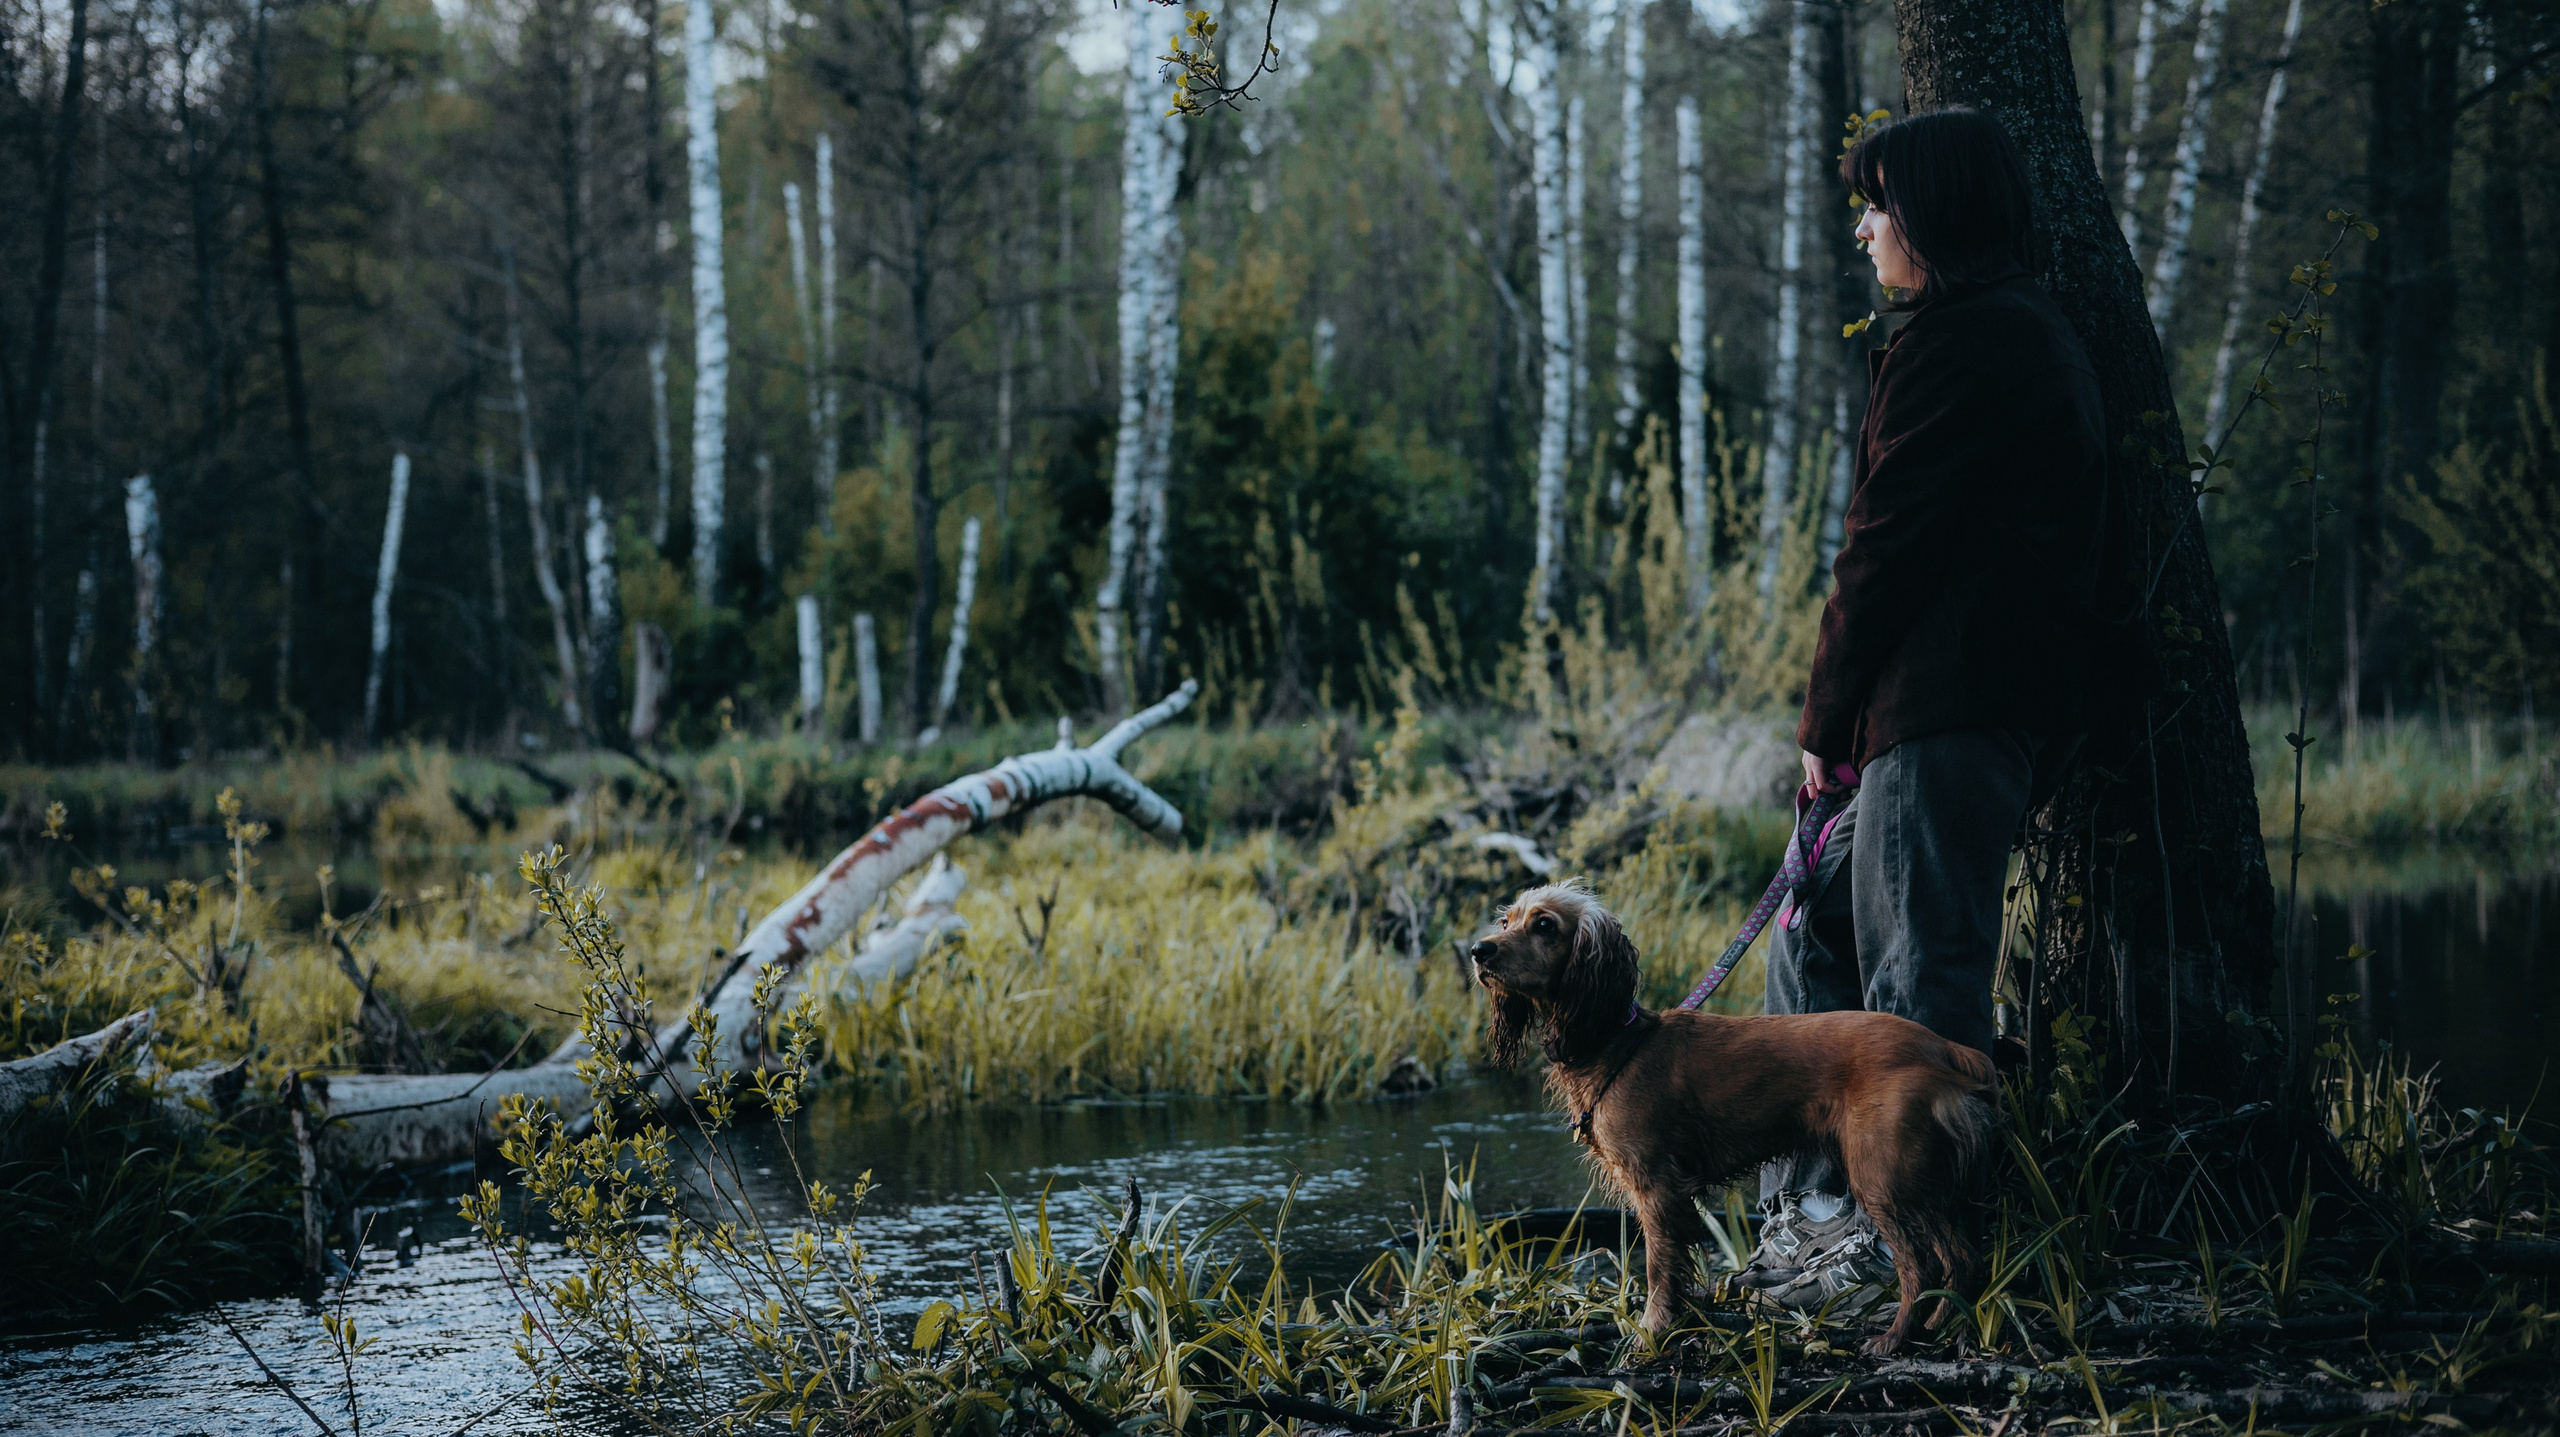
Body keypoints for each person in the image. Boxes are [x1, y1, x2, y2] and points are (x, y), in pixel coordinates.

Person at [1737, 107, 2116, 1312]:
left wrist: (1822, 723)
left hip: (1949, 713)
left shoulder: (1969, 343)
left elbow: (1882, 552)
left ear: (1934, 217)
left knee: (1918, 991)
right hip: (1942, 713)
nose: (1863, 227)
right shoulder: (2001, 333)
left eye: (1879, 204)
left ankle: (1921, 1252)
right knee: (1812, 926)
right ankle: (1814, 1207)